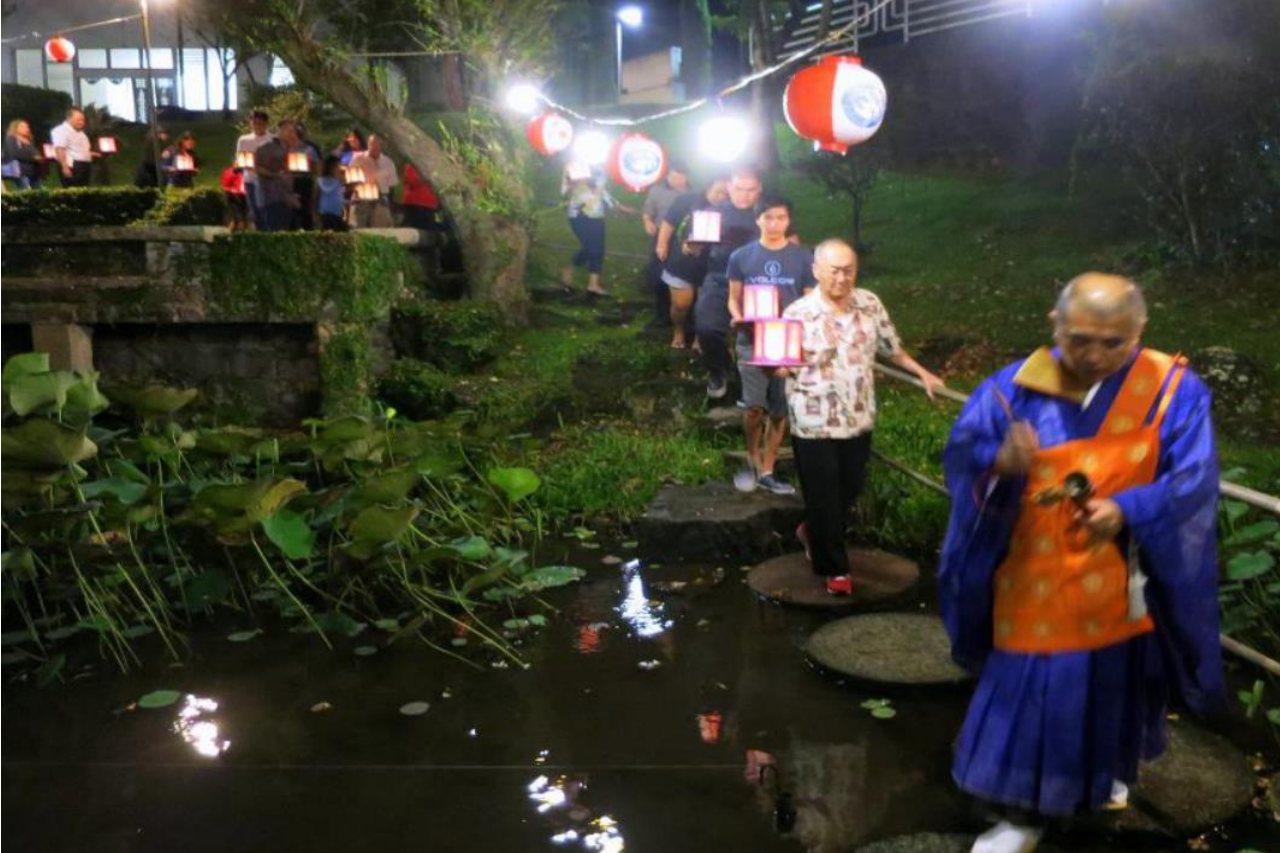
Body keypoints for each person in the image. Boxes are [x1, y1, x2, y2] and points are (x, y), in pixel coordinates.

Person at [937, 273, 1225, 853]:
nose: (1095, 356)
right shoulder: (1014, 388)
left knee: (1111, 688)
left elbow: (1193, 480)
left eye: (1113, 342)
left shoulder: (1171, 387)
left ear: (1139, 330)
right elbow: (964, 458)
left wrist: (1129, 507)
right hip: (1032, 573)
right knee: (1028, 694)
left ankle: (1099, 783)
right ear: (1054, 324)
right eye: (1079, 339)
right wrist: (999, 463)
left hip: (1117, 576)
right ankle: (1020, 814)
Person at [783, 239, 943, 595]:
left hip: (858, 415)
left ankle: (811, 531)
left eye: (848, 270)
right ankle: (835, 570)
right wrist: (773, 369)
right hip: (814, 418)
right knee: (823, 494)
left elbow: (892, 349)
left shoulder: (869, 303)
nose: (842, 278)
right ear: (816, 270)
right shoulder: (797, 313)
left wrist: (922, 373)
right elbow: (781, 366)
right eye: (834, 270)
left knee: (849, 488)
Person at [725, 196, 815, 495]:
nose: (775, 224)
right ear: (758, 219)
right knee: (754, 407)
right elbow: (733, 298)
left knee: (779, 411)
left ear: (788, 221)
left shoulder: (803, 257)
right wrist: (738, 317)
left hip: (788, 344)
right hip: (751, 340)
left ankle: (768, 469)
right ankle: (751, 457)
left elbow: (809, 300)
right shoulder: (740, 256)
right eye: (769, 217)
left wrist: (805, 335)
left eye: (781, 218)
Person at [693, 164, 764, 398]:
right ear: (729, 187)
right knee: (706, 327)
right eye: (739, 188)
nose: (744, 194)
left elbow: (791, 244)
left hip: (758, 283)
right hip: (719, 279)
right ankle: (718, 369)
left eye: (750, 189)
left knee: (759, 335)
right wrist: (691, 247)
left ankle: (760, 385)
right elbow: (693, 248)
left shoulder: (768, 213)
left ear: (759, 189)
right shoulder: (713, 213)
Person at [656, 176, 730, 349]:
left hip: (713, 265)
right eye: (718, 191)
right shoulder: (688, 200)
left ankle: (699, 337)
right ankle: (679, 329)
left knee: (705, 306)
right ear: (707, 188)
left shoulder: (731, 209)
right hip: (683, 261)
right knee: (681, 304)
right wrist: (662, 244)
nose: (722, 196)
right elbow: (669, 223)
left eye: (726, 193)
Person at [560, 163, 635, 296]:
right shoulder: (578, 166)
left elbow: (602, 191)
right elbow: (565, 190)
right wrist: (573, 176)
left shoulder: (603, 169)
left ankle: (593, 285)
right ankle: (569, 269)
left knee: (598, 250)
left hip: (597, 216)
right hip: (578, 216)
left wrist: (618, 206)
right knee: (590, 248)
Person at [641, 162, 689, 327]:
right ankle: (661, 313)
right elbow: (648, 211)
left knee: (678, 277)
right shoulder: (657, 191)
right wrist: (648, 221)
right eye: (673, 177)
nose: (676, 181)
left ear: (686, 177)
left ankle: (681, 313)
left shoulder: (691, 195)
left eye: (680, 178)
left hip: (681, 238)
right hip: (660, 235)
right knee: (658, 275)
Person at [235, 110, 275, 230]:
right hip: (250, 179)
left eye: (260, 123)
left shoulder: (272, 139)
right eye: (255, 123)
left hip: (269, 180)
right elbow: (239, 158)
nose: (257, 126)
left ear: (266, 124)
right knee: (255, 210)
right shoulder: (244, 140)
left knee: (268, 209)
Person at [348, 134, 398, 228]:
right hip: (361, 198)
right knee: (358, 228)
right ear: (368, 144)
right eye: (371, 144)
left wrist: (389, 204)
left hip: (381, 200)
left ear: (381, 146)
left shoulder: (388, 162)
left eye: (376, 144)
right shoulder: (358, 159)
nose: (373, 147)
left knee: (381, 229)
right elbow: (350, 180)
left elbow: (391, 186)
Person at [278, 119, 318, 230]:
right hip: (286, 185)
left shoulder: (309, 150)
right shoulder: (282, 150)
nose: (289, 135)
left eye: (292, 132)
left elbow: (316, 170)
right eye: (286, 131)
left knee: (304, 213)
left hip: (304, 182)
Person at [251, 129, 292, 232]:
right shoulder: (271, 150)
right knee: (275, 228)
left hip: (272, 199)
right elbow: (258, 168)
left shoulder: (276, 149)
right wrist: (277, 175)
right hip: (272, 198)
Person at [50, 107, 96, 187]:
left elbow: (82, 150)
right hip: (72, 166)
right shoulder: (61, 130)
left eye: (83, 120)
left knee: (84, 192)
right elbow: (60, 149)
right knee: (73, 191)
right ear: (69, 118)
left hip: (84, 166)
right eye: (78, 120)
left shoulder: (82, 134)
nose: (81, 122)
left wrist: (93, 154)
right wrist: (64, 167)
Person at [3, 119, 43, 189]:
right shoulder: (11, 139)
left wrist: (39, 157)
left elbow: (35, 152)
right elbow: (14, 153)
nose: (26, 129)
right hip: (21, 171)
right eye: (22, 127)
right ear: (15, 128)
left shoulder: (29, 140)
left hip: (34, 172)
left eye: (27, 127)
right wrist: (33, 158)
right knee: (25, 192)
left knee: (39, 192)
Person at [401, 162, 441, 230]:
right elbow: (410, 181)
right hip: (418, 206)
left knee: (440, 222)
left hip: (431, 206)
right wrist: (425, 180)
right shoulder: (411, 167)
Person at [317, 155, 349, 232]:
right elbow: (328, 190)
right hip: (327, 214)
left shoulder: (337, 182)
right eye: (337, 166)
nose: (339, 169)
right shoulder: (322, 180)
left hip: (336, 214)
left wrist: (350, 202)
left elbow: (337, 198)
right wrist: (338, 181)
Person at [221, 163, 250, 231]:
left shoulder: (250, 172)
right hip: (234, 195)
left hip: (246, 195)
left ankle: (244, 224)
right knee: (236, 210)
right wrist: (234, 172)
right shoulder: (230, 172)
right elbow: (225, 184)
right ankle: (236, 223)